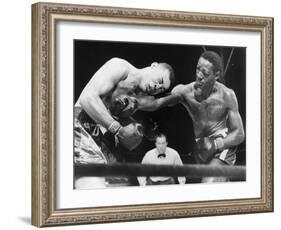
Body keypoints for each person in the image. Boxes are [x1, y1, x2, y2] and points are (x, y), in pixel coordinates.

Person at [74, 57, 178, 189]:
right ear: (154, 65)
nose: (156, 87)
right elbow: (87, 98)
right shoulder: (121, 67)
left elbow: (157, 104)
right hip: (81, 126)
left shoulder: (138, 99)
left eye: (160, 89)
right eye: (159, 81)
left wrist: (182, 96)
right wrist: (117, 129)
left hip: (103, 140)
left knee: (120, 185)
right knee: (94, 192)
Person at [161, 51, 245, 183]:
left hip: (223, 146)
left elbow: (239, 133)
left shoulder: (227, 95)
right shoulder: (186, 91)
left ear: (216, 75)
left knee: (207, 186)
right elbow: (158, 102)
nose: (199, 75)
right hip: (202, 148)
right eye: (197, 69)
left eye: (205, 73)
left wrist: (216, 144)